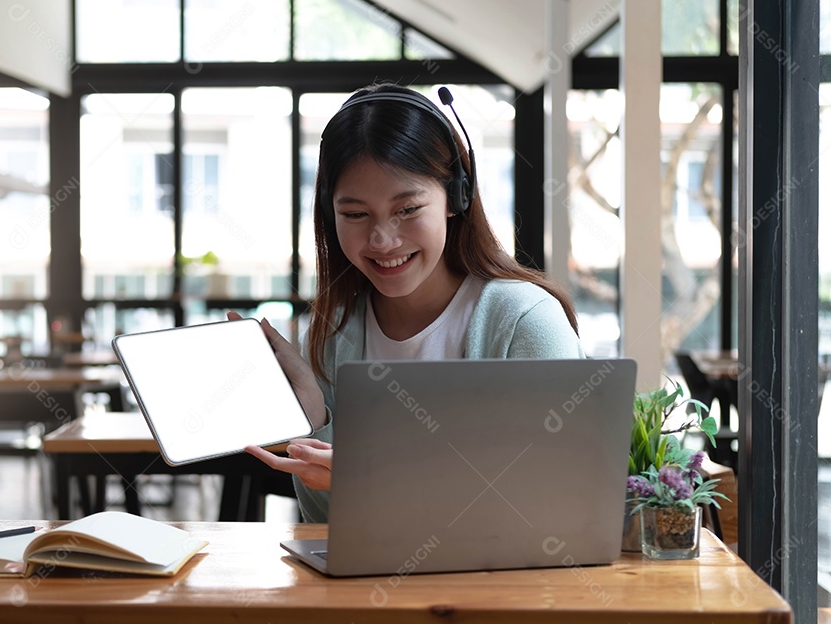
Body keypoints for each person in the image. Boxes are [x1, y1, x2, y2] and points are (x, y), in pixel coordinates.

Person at [235, 82, 584, 523]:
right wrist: (314, 415)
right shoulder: (334, 335)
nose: (383, 240)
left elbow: (557, 506)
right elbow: (327, 527)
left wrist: (373, 481)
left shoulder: (523, 321)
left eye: (407, 209)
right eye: (355, 214)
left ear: (455, 198)